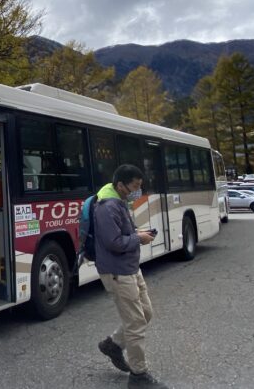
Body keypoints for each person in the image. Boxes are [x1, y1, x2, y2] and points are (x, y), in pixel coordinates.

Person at [94, 164, 168, 389]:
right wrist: (139, 239)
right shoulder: (107, 207)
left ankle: (113, 344)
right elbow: (113, 243)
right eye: (135, 186)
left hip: (130, 267)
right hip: (118, 272)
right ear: (120, 185)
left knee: (145, 313)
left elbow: (123, 233)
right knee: (135, 322)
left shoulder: (119, 201)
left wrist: (138, 233)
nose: (138, 190)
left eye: (140, 186)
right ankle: (139, 376)